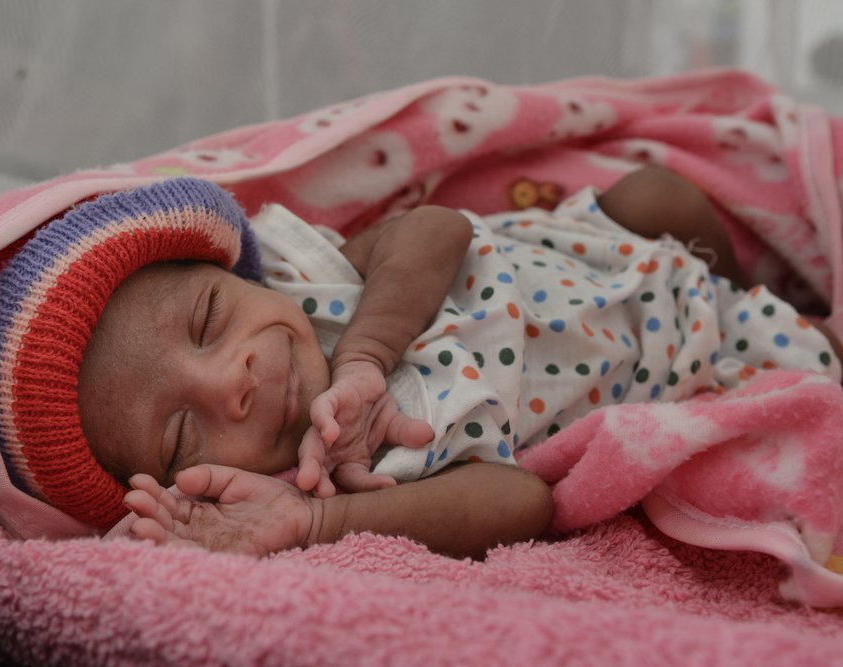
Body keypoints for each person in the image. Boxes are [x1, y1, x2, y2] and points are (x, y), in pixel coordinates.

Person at [65, 168, 841, 559]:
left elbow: (436, 229)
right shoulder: (343, 476)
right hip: (692, 356)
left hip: (604, 245)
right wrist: (319, 521)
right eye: (181, 438)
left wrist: (368, 352)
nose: (227, 385)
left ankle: (759, 282)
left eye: (208, 319)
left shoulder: (313, 277)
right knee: (808, 373)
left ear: (234, 272)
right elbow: (519, 501)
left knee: (655, 191)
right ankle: (785, 317)